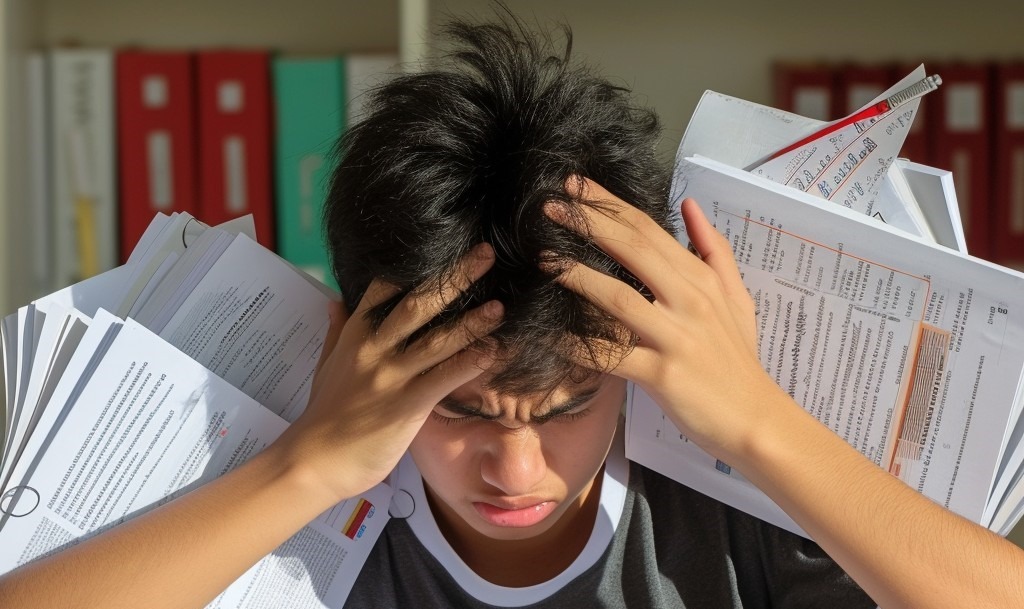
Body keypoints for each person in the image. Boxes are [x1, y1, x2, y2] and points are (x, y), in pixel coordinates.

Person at [2, 13, 1024, 609]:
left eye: (568, 405)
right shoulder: (303, 512)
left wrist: (756, 422)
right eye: (461, 412)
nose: (514, 472)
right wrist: (307, 467)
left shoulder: (727, 519)